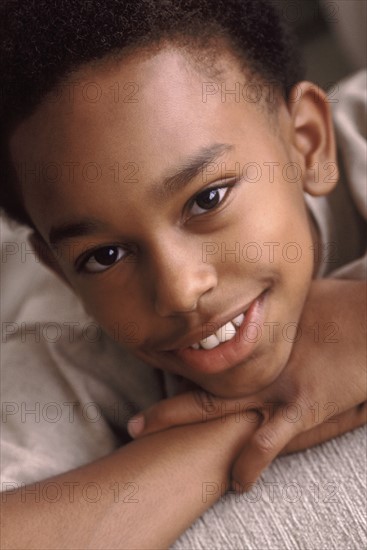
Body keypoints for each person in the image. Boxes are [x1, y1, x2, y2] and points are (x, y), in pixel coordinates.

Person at [0, 0, 366, 548]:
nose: (179, 290)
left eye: (207, 199)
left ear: (307, 142)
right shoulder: (58, 350)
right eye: (103, 257)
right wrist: (243, 419)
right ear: (60, 271)